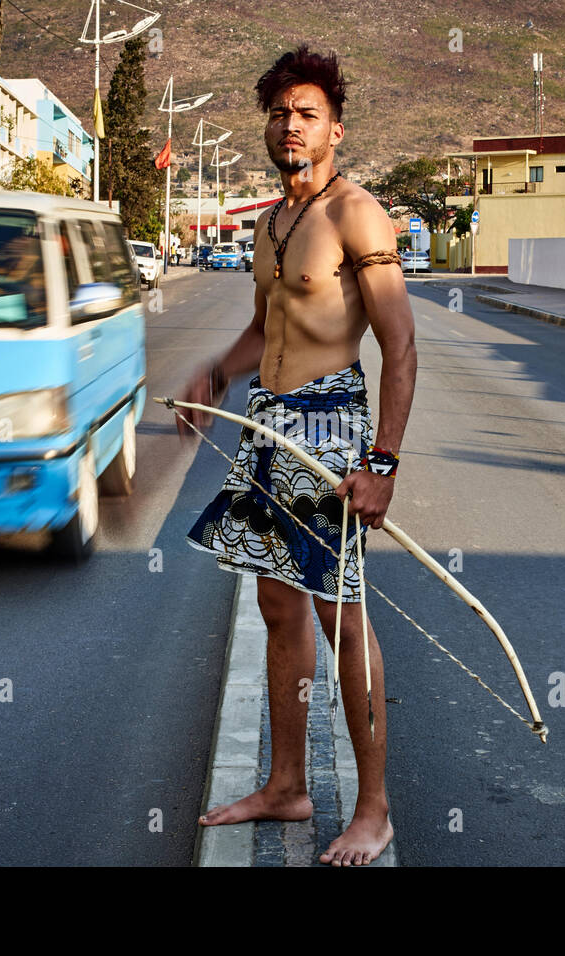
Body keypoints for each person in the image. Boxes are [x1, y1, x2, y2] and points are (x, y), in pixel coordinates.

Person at [176, 44, 415, 866]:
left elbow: (401, 345)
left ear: (335, 129)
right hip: (268, 424)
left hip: (330, 431)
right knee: (278, 610)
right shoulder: (271, 223)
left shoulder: (358, 214)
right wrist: (218, 370)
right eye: (279, 113)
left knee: (341, 616)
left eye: (307, 113)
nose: (291, 126)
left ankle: (374, 808)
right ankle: (286, 784)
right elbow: (264, 327)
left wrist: (382, 463)